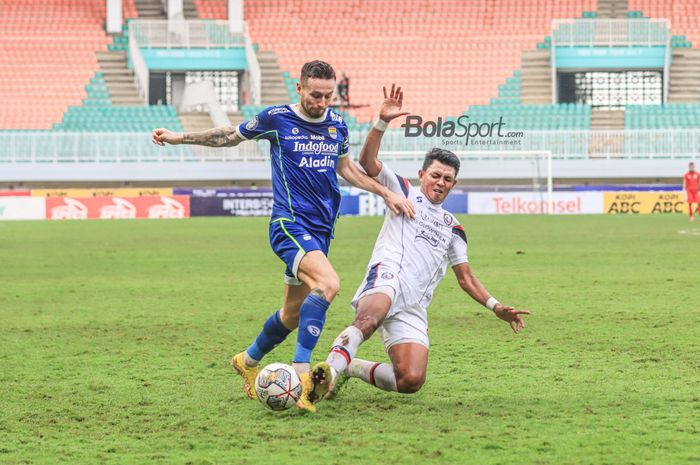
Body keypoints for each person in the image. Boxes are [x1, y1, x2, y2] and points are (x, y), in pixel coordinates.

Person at [151, 62, 415, 412]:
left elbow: (346, 168)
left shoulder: (336, 124)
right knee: (330, 284)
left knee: (291, 315)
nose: (321, 102)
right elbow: (230, 135)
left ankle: (246, 360)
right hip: (289, 224)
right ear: (299, 88)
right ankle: (302, 372)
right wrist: (180, 137)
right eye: (315, 95)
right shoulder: (277, 119)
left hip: (320, 231)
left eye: (327, 96)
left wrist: (386, 193)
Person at [315, 84, 530, 401]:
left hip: (414, 304)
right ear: (422, 174)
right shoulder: (402, 188)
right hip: (388, 276)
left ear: (453, 184)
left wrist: (495, 306)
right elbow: (367, 160)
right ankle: (325, 376)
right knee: (369, 319)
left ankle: (351, 367)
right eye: (435, 175)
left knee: (411, 380)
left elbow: (465, 277)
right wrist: (382, 122)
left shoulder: (453, 227)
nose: (440, 183)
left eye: (447, 179)